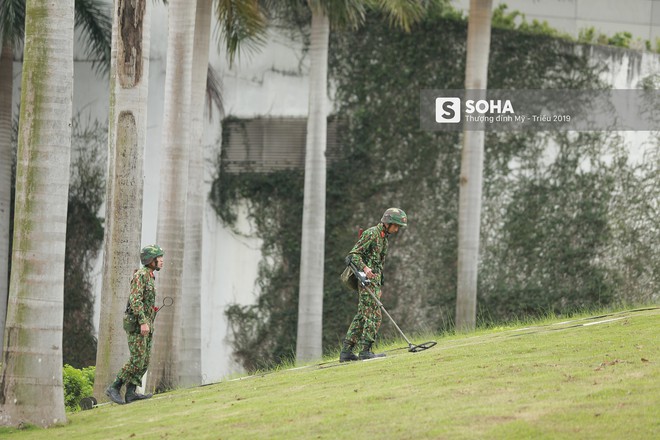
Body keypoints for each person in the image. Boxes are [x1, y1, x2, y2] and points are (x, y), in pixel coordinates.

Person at [340, 208, 407, 362]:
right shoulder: (371, 234)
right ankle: (365, 351)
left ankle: (346, 351)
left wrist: (379, 286)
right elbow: (353, 255)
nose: (397, 229)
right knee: (374, 315)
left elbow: (380, 264)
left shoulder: (384, 238)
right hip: (365, 281)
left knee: (362, 316)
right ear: (387, 223)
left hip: (374, 283)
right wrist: (365, 268)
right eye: (395, 226)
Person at [105, 244, 164, 404]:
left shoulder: (150, 275)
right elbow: (135, 299)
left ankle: (131, 392)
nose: (162, 260)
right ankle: (114, 387)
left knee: (144, 360)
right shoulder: (141, 275)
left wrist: (151, 313)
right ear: (151, 260)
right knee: (137, 359)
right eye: (159, 257)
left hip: (147, 324)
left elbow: (144, 300)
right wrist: (143, 322)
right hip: (137, 325)